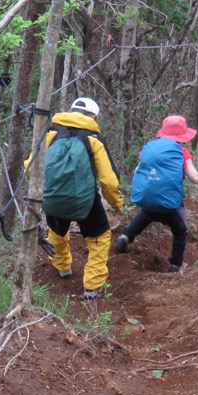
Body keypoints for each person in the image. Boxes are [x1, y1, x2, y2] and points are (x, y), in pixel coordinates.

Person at [36, 97, 124, 299]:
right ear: (94, 116)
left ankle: (62, 267)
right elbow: (109, 181)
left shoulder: (50, 134)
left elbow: (30, 166)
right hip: (86, 200)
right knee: (99, 238)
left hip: (53, 197)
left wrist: (44, 192)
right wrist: (116, 203)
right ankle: (92, 286)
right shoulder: (93, 139)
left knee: (56, 233)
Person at [113, 115, 198, 273]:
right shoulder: (182, 151)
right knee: (180, 230)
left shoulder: (149, 148)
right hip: (171, 206)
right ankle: (176, 265)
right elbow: (195, 178)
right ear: (182, 135)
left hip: (147, 200)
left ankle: (125, 237)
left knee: (146, 214)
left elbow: (138, 171)